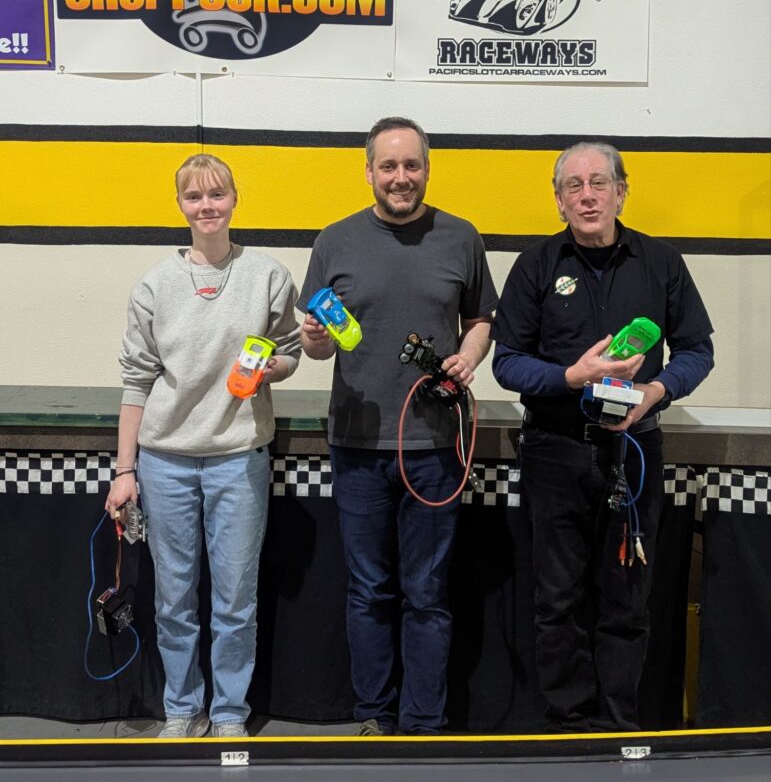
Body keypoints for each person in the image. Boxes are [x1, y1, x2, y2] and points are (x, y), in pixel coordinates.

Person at [491, 141, 714, 732]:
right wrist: (572, 377)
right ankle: (568, 727)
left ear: (621, 191)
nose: (587, 196)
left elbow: (697, 350)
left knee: (627, 597)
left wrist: (656, 391)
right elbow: (507, 362)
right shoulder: (535, 265)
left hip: (633, 452)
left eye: (599, 183)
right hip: (554, 450)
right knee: (557, 600)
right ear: (558, 199)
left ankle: (618, 728)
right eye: (574, 185)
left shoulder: (661, 262)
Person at [298, 116, 497, 735]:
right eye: (389, 166)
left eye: (412, 165)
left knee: (428, 593)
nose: (401, 177)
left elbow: (481, 318)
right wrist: (313, 338)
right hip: (357, 445)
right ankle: (374, 718)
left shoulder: (462, 237)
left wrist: (470, 354)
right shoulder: (334, 241)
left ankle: (423, 723)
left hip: (435, 446)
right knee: (368, 592)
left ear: (427, 169)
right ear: (369, 172)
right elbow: (318, 348)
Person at [106, 153, 301, 739]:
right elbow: (136, 383)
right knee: (173, 598)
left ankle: (229, 714)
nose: (207, 206)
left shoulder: (268, 275)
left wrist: (271, 369)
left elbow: (291, 351)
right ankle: (182, 709)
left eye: (217, 194)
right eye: (194, 197)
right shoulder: (154, 285)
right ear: (180, 205)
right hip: (164, 461)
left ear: (235, 199)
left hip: (239, 458)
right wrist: (125, 470)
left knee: (236, 599)